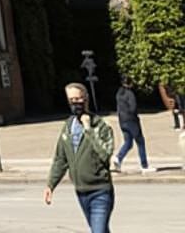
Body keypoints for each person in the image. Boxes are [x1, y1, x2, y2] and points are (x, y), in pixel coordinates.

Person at [44, 82, 115, 233]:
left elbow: (105, 154)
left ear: (86, 99)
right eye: (71, 100)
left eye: (78, 99)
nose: (75, 104)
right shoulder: (68, 127)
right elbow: (60, 159)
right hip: (81, 192)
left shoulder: (100, 125)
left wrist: (89, 129)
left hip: (100, 191)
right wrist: (51, 184)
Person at [113, 75, 154, 172]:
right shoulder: (130, 94)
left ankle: (118, 158)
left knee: (128, 142)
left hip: (122, 120)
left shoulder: (119, 93)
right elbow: (133, 107)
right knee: (140, 142)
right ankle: (144, 165)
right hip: (131, 120)